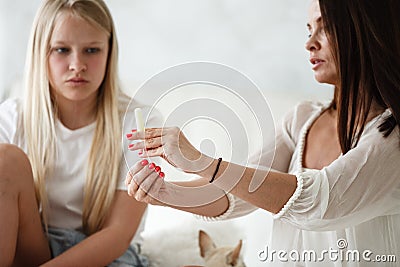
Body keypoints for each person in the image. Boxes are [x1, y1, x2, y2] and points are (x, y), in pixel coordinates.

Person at [126, 0, 400, 266]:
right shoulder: (301, 118)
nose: (309, 43)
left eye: (325, 27)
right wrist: (163, 192)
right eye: (308, 30)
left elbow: (318, 203)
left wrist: (199, 161)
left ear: (366, 30)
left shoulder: (392, 135)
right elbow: (241, 193)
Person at [0, 0, 155, 266]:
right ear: (41, 53)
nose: (77, 65)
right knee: (6, 159)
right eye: (62, 49)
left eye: (92, 50)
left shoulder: (138, 121)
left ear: (109, 52)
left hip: (107, 258)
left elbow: (117, 234)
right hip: (33, 247)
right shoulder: (13, 117)